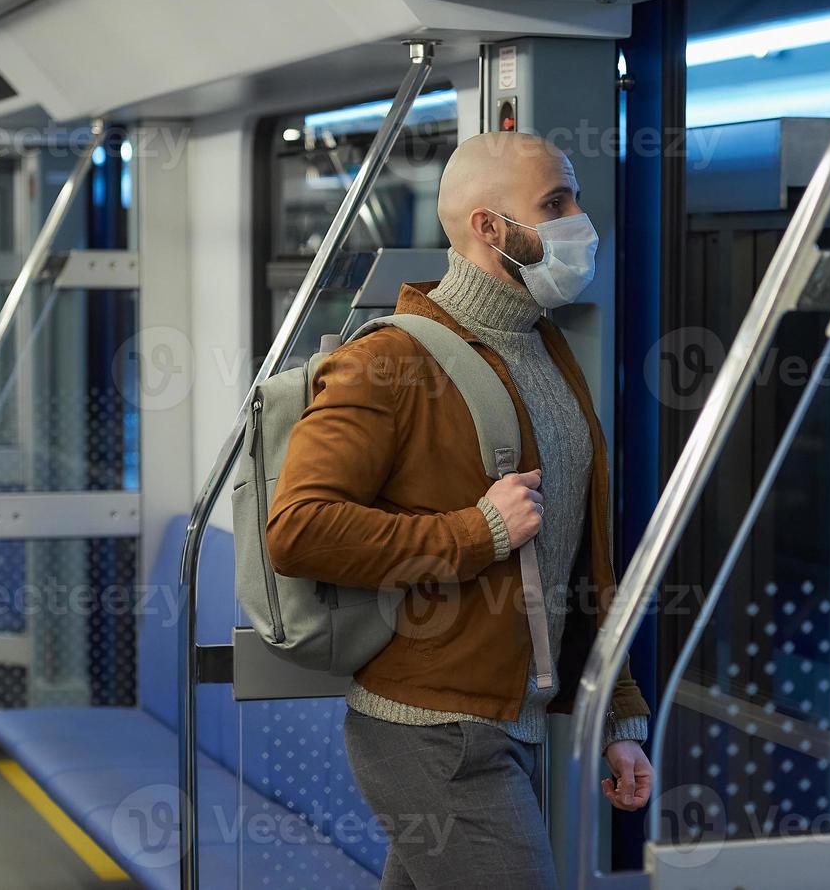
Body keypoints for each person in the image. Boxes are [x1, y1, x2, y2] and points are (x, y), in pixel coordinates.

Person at [266, 131, 653, 889]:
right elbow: (299, 527)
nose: (580, 221)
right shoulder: (390, 362)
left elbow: (578, 557)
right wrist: (476, 533)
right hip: (430, 732)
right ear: (487, 226)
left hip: (512, 721)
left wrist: (617, 715)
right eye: (555, 203)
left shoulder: (545, 348)